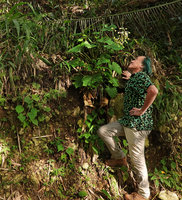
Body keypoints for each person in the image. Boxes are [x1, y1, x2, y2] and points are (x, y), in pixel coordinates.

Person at [97, 56, 158, 200]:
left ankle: (143, 194)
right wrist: (131, 77)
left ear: (141, 66)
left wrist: (142, 110)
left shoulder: (142, 77)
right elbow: (140, 87)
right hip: (128, 122)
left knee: (137, 159)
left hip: (137, 125)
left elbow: (153, 91)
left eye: (136, 59)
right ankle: (119, 158)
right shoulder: (137, 78)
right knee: (104, 131)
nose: (132, 60)